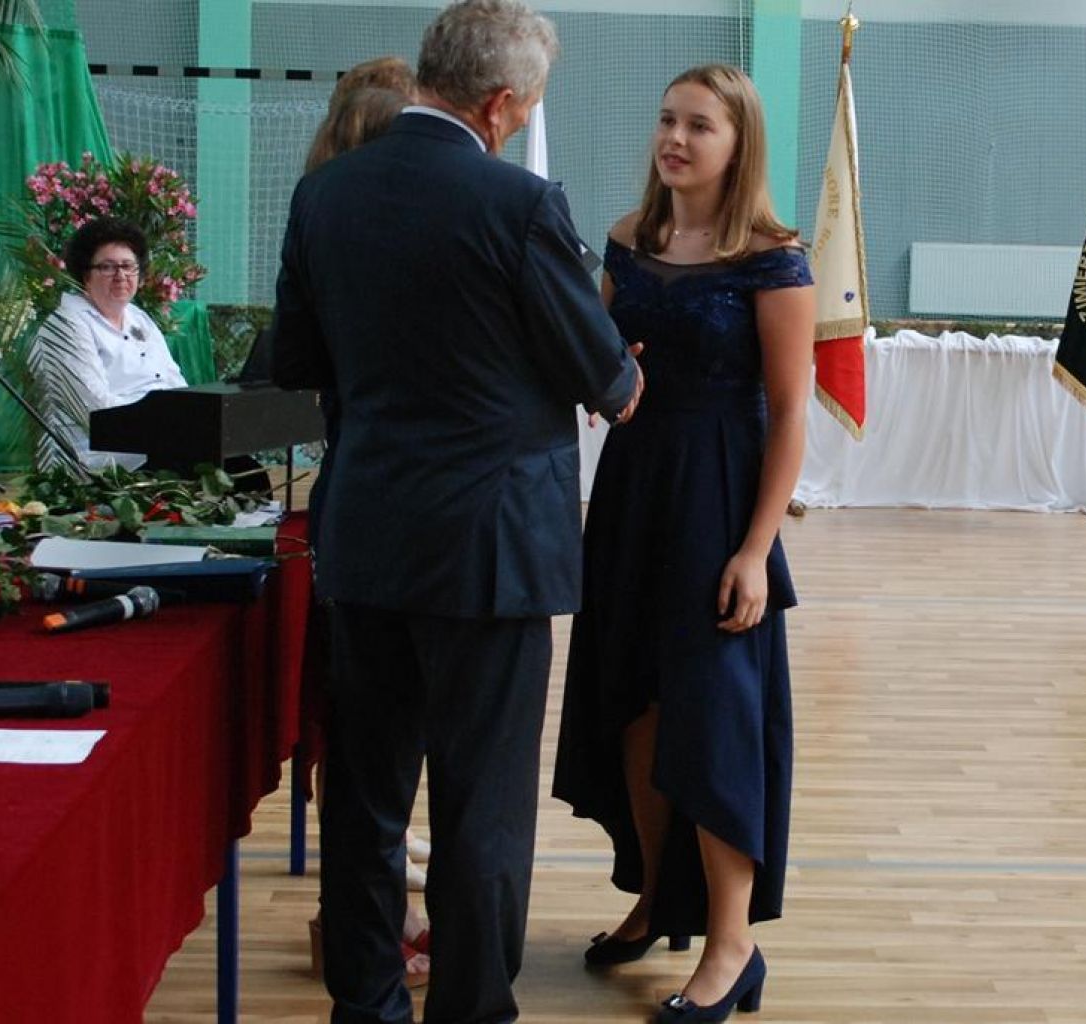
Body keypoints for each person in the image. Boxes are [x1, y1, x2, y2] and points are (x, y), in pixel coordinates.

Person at [270, 2, 643, 1022]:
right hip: (492, 553)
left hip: (366, 538)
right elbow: (605, 379)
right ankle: (472, 1008)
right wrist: (619, 375)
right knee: (482, 808)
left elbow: (295, 361)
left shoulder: (326, 195)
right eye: (527, 106)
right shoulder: (519, 205)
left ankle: (367, 1006)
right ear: (498, 103)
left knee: (366, 799)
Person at [552, 63, 814, 1023]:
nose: (675, 138)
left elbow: (790, 413)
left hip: (719, 500)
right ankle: (658, 899)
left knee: (712, 720)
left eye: (700, 125)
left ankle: (732, 945)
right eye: (668, 119)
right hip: (632, 494)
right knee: (635, 707)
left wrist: (754, 550)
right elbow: (596, 356)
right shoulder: (630, 238)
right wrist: (602, 371)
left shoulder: (775, 259)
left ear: (739, 144)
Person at [293, 66, 432, 991]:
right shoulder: (397, 226)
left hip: (346, 501)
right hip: (410, 516)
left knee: (352, 734)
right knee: (381, 741)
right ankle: (385, 920)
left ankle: (358, 919)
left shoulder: (320, 211)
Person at [28, 217, 188, 471]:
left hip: (159, 440)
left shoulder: (138, 317)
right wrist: (167, 423)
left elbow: (176, 383)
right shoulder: (66, 324)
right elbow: (96, 411)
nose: (120, 276)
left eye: (128, 266)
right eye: (107, 267)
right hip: (99, 458)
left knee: (235, 461)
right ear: (85, 275)